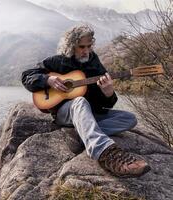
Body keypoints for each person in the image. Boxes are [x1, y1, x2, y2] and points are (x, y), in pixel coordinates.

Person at [21, 25, 151, 177]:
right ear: (71, 45)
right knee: (80, 101)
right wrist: (47, 79)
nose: (86, 50)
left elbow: (105, 104)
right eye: (81, 46)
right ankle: (104, 152)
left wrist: (108, 93)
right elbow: (27, 76)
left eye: (89, 46)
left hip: (90, 113)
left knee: (129, 119)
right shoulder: (57, 61)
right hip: (66, 112)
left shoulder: (95, 64)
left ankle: (84, 132)